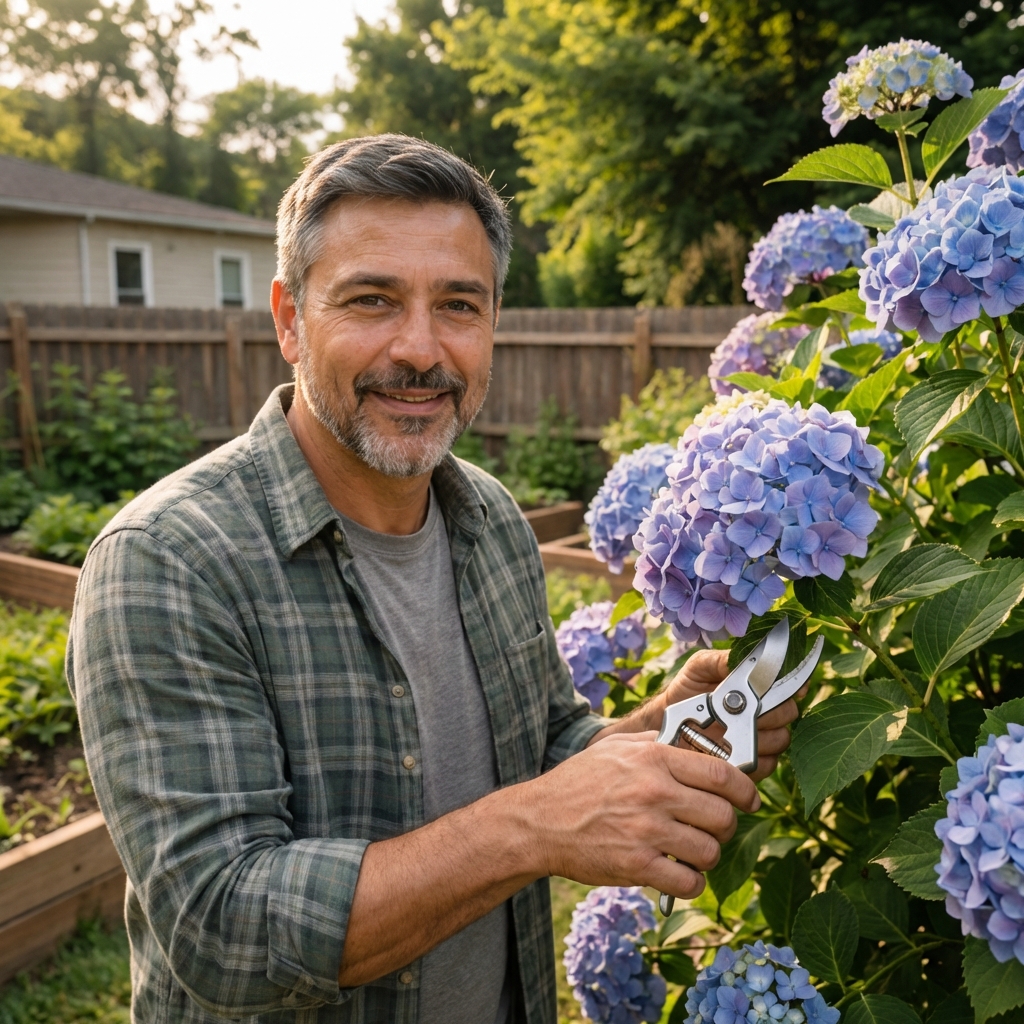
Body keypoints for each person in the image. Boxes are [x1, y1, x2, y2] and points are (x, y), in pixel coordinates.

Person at [67, 134, 799, 1024]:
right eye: (372, 300)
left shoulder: (487, 521)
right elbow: (223, 929)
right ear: (289, 318)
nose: (420, 349)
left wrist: (662, 730)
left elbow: (538, 752)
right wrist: (534, 826)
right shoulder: (167, 561)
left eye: (459, 304)